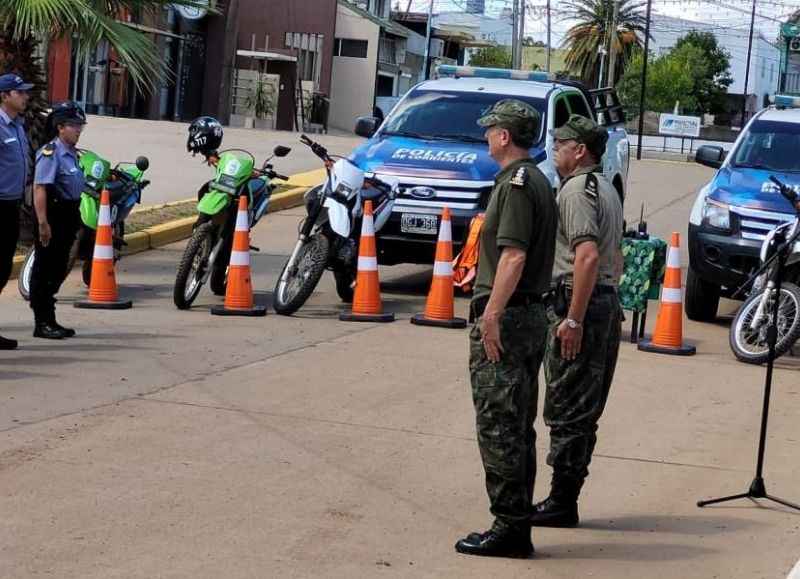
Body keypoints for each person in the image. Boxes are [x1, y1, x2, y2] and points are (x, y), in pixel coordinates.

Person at [454, 99, 557, 559]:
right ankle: (514, 521)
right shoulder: (532, 179)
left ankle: (510, 527)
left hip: (510, 317)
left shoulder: (517, 185)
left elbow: (512, 257)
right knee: (515, 423)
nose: (486, 135)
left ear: (504, 136)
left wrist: (491, 316)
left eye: (490, 128)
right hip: (527, 315)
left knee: (500, 424)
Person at [531, 114, 624, 528]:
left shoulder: (574, 192)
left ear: (580, 150)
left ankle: (561, 502)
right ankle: (564, 497)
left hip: (579, 301)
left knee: (568, 408)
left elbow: (584, 256)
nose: (554, 149)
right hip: (605, 301)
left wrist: (573, 320)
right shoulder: (605, 187)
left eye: (560, 143)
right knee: (583, 409)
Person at [29, 101, 87, 339]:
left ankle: (50, 319)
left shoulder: (71, 153)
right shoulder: (50, 153)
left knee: (58, 268)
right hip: (53, 215)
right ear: (60, 127)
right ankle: (41, 322)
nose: (79, 130)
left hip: (68, 215)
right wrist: (43, 222)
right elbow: (40, 188)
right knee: (45, 269)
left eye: (80, 125)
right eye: (74, 125)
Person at [0, 74, 35, 349]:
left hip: (11, 205)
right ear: (4, 96)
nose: (25, 97)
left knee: (1, 270)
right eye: (19, 92)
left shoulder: (18, 125)